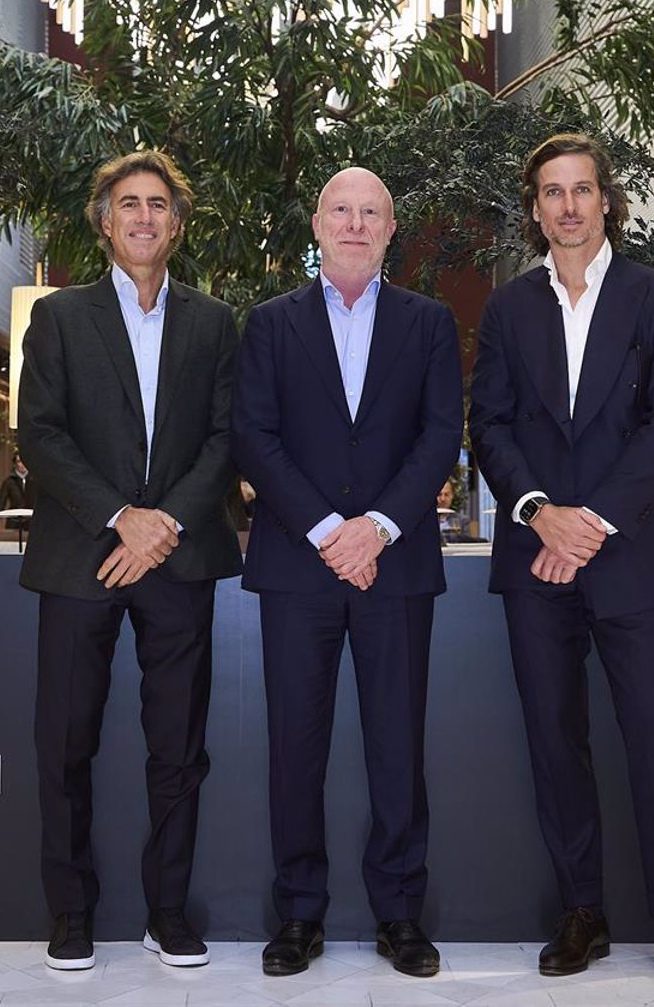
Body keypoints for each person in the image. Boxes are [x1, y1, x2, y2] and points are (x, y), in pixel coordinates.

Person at [467, 134, 654, 988]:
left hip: (634, 558)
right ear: (535, 208)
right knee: (555, 740)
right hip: (536, 557)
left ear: (607, 200)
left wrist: (594, 523)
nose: (569, 206)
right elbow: (489, 425)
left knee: (652, 737)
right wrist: (542, 514)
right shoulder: (508, 310)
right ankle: (582, 910)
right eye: (552, 192)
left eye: (582, 189)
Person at [232, 167, 463, 979]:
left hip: (396, 567)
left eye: (372, 213)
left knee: (397, 745)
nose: (356, 224)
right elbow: (254, 436)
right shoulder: (270, 324)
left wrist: (378, 528)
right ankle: (299, 914)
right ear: (318, 223)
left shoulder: (429, 323)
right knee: (295, 746)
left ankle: (400, 913)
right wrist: (333, 532)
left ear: (391, 230)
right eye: (342, 210)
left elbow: (440, 434)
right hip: (299, 567)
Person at [16, 150, 242, 972]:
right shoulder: (60, 317)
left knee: (178, 748)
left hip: (178, 559)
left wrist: (163, 524)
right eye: (128, 203)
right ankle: (70, 914)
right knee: (65, 743)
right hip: (82, 556)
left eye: (158, 204)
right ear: (105, 222)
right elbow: (39, 434)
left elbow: (227, 438)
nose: (144, 216)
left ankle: (167, 913)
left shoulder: (214, 323)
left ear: (177, 225)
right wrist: (120, 519)